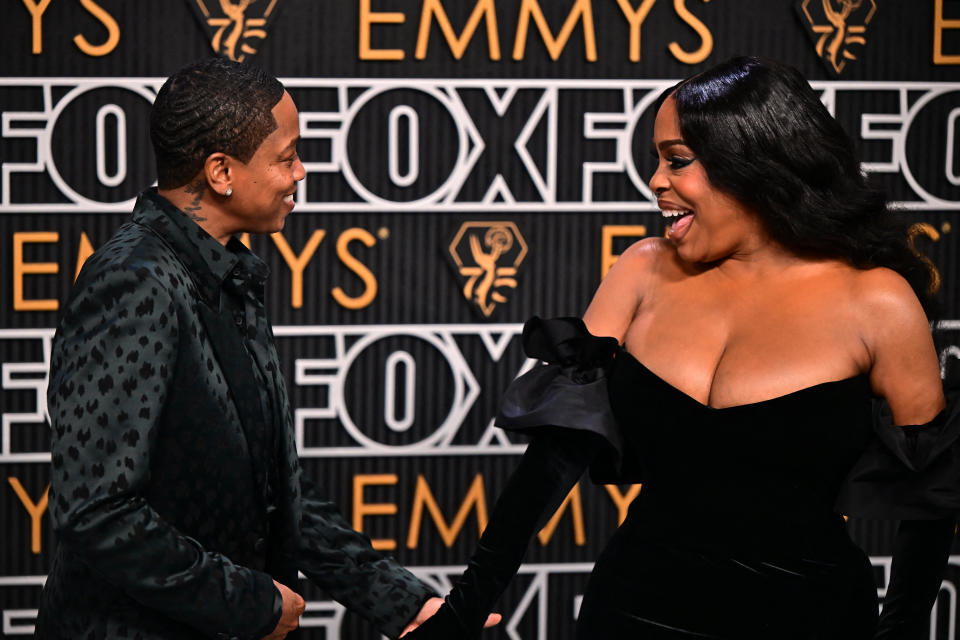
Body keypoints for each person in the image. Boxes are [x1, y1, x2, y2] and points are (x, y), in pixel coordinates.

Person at [404, 56, 959, 639]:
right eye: (658, 160)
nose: (656, 182)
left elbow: (930, 508)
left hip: (809, 617)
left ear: (751, 162)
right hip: (631, 611)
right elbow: (551, 465)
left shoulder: (879, 303)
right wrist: (461, 615)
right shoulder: (642, 271)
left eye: (677, 161)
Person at [37, 57, 453, 640]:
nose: (301, 173)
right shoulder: (134, 282)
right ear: (221, 172)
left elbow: (273, 487)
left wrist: (400, 603)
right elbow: (96, 511)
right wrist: (249, 602)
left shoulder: (224, 274)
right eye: (287, 157)